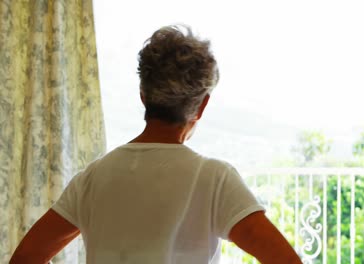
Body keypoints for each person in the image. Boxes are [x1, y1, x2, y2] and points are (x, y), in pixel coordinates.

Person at [10, 25, 302, 264]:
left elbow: (25, 257)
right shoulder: (214, 179)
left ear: (143, 95)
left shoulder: (92, 178)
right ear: (201, 107)